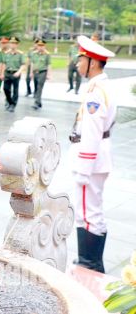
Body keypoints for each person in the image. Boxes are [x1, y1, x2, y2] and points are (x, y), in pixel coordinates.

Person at [70, 35, 117, 273]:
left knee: (88, 213)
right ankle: (90, 261)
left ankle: (90, 264)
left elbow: (92, 132)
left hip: (93, 159)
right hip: (98, 157)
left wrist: (83, 169)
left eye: (81, 60)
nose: (77, 64)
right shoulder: (99, 86)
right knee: (91, 210)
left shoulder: (97, 91)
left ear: (93, 63)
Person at [0, 36, 26, 112]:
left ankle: (13, 105)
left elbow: (23, 64)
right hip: (7, 73)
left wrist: (19, 72)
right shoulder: (6, 53)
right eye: (11, 43)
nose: (13, 45)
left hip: (15, 73)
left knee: (15, 90)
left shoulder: (20, 54)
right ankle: (9, 101)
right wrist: (2, 73)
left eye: (14, 43)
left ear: (17, 45)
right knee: (5, 89)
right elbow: (4, 64)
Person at [29, 38, 51, 110]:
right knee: (36, 87)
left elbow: (49, 65)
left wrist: (48, 74)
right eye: (39, 45)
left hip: (43, 72)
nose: (40, 47)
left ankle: (36, 102)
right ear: (37, 46)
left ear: (44, 46)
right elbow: (32, 63)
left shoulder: (47, 54)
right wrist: (31, 73)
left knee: (39, 87)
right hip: (35, 72)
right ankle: (39, 102)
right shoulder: (34, 54)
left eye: (42, 45)